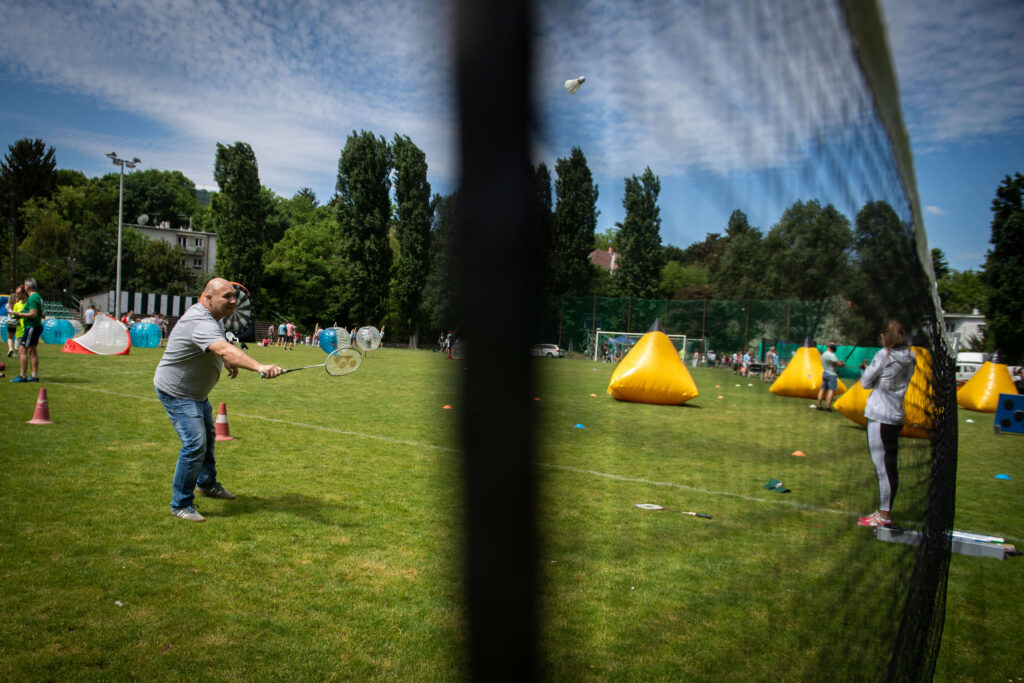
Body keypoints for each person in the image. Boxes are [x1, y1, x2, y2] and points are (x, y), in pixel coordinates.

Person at [154, 278, 284, 522]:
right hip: (178, 392)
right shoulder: (200, 320)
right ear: (208, 297)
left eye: (234, 296)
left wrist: (226, 360)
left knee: (208, 438)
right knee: (194, 445)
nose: (233, 300)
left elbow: (217, 347)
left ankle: (207, 484)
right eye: (226, 296)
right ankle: (180, 503)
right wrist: (259, 366)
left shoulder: (213, 318)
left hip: (195, 393)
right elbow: (224, 348)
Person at [857, 321, 916, 527]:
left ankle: (883, 515)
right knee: (890, 467)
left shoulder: (884, 355)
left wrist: (870, 373)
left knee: (883, 469)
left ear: (886, 337)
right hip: (896, 415)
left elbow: (865, 382)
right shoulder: (910, 357)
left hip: (880, 417)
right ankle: (884, 512)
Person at [10, 278, 44, 383]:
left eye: (25, 285)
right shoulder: (38, 297)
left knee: (22, 349)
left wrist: (19, 314)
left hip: (31, 327)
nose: (24, 287)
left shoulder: (32, 298)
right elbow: (40, 313)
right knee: (33, 350)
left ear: (28, 287)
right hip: (36, 326)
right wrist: (23, 311)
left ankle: (23, 375)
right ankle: (34, 376)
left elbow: (33, 314)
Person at [816, 342, 845, 411]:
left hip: (825, 373)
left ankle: (819, 405)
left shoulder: (823, 354)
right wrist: (842, 364)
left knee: (822, 389)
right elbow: (838, 364)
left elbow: (832, 363)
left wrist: (838, 363)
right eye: (834, 346)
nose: (835, 348)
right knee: (831, 391)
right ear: (831, 347)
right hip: (832, 375)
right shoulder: (832, 355)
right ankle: (828, 407)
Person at [5, 287, 20, 358]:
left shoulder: (8, 305)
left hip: (10, 322)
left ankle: (10, 348)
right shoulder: (17, 305)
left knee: (10, 337)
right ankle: (16, 353)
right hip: (17, 322)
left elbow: (7, 311)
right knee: (17, 337)